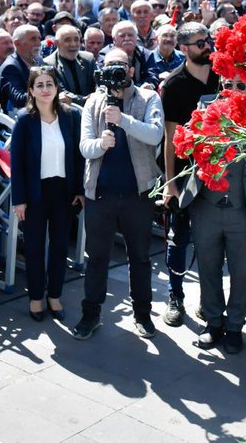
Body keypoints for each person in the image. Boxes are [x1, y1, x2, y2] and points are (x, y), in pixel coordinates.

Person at [179, 77, 246, 354]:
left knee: (241, 272)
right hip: (206, 206)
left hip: (245, 209)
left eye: (240, 84)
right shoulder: (205, 106)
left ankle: (235, 326)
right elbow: (189, 151)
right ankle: (213, 323)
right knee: (208, 268)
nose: (233, 91)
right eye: (227, 84)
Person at [74, 48, 165, 341]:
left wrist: (123, 120)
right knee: (97, 257)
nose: (117, 72)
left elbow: (155, 135)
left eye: (121, 66)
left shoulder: (149, 99)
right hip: (100, 194)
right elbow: (84, 147)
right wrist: (101, 144)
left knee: (139, 257)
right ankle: (91, 314)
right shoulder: (93, 103)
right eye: (110, 66)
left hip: (138, 193)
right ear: (102, 72)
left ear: (131, 71)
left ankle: (142, 315)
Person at [10, 66, 84, 322]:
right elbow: (16, 163)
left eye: (49, 84)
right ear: (31, 90)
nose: (45, 89)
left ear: (56, 87)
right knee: (34, 247)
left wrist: (79, 191)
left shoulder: (71, 115)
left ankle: (54, 295)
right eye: (39, 85)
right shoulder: (24, 119)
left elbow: (77, 156)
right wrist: (18, 199)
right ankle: (36, 299)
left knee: (60, 246)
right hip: (34, 193)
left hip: (63, 191)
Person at [158, 22, 220, 328]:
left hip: (218, 168)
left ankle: (209, 302)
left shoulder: (221, 76)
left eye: (207, 41)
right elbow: (170, 138)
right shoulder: (173, 85)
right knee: (179, 238)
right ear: (184, 48)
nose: (207, 46)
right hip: (185, 170)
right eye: (199, 43)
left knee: (211, 240)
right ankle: (175, 296)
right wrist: (171, 184)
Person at [42, 24, 95, 106]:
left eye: (76, 40)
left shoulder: (88, 59)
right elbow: (61, 93)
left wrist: (97, 96)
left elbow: (100, 83)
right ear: (57, 43)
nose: (73, 44)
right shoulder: (48, 64)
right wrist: (85, 100)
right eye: (67, 40)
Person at [0, 23, 41, 113]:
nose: (39, 43)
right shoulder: (10, 67)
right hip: (16, 121)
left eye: (39, 38)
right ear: (17, 43)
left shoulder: (39, 60)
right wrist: (45, 91)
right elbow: (19, 99)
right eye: (33, 39)